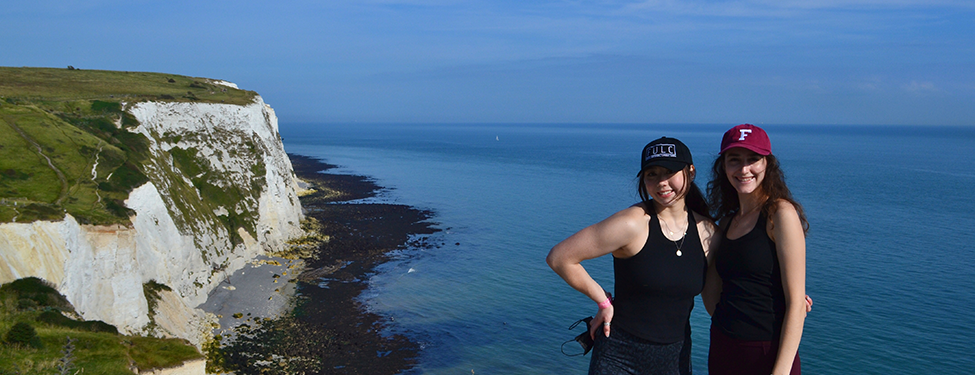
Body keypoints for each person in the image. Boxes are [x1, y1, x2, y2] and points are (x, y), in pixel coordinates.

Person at [547, 137, 719, 375]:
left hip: (676, 358)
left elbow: (714, 301)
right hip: (619, 355)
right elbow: (560, 257)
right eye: (652, 174)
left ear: (690, 172)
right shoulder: (633, 223)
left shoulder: (708, 232)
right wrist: (603, 301)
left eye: (670, 172)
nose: (662, 182)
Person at [703, 124, 808, 375]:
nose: (744, 169)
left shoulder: (780, 214)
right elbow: (714, 290)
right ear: (723, 166)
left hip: (767, 351)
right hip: (722, 347)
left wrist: (780, 372)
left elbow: (796, 304)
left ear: (767, 165)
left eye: (753, 159)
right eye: (734, 160)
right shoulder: (727, 222)